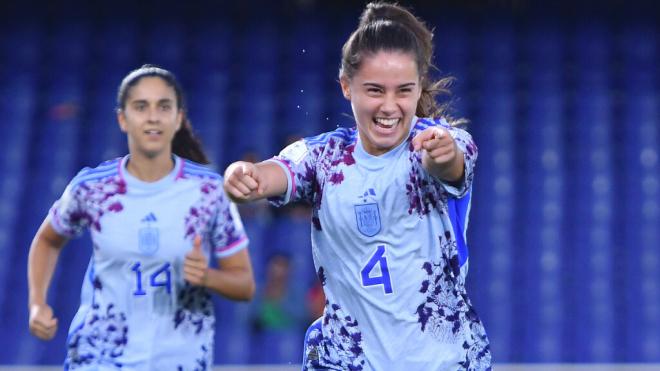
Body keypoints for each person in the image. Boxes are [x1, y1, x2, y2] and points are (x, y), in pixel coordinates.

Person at [223, 2, 491, 370]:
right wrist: (248, 175)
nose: (390, 106)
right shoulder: (325, 156)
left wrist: (441, 154)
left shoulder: (445, 141)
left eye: (403, 91)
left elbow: (451, 163)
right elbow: (280, 171)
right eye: (375, 90)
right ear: (347, 87)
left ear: (418, 88)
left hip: (441, 359)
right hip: (345, 359)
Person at [27, 65, 256, 369]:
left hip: (180, 359)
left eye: (163, 107)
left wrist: (208, 277)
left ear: (178, 119)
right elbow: (47, 240)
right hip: (100, 357)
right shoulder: (92, 187)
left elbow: (245, 285)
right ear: (123, 119)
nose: (152, 117)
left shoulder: (209, 191)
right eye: (140, 107)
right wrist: (37, 303)